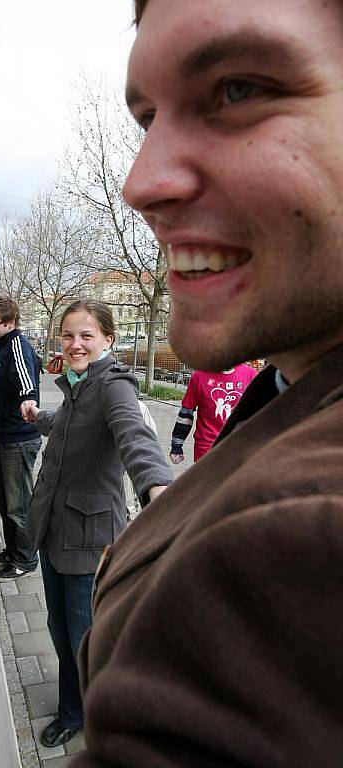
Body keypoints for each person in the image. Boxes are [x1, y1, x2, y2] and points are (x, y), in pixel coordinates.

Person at [68, 1, 343, 766]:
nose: (140, 183)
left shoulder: (300, 541)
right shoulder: (290, 381)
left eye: (238, 90)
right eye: (147, 116)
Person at [21, 299, 172, 749]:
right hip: (53, 532)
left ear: (108, 339)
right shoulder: (75, 384)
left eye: (87, 335)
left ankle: (95, 716)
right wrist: (38, 416)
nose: (75, 344)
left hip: (89, 541)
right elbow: (70, 424)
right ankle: (80, 706)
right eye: (68, 335)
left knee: (85, 639)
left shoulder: (113, 385)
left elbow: (134, 436)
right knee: (58, 630)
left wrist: (158, 489)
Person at [0, 295, 42, 582]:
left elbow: (26, 381)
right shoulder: (2, 344)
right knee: (3, 501)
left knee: (19, 505)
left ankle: (26, 560)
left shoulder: (16, 346)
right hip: (3, 437)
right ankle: (12, 551)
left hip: (18, 439)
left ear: (11, 323)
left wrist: (29, 401)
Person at [170, 365, 256, 463]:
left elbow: (260, 411)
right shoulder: (199, 377)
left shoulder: (250, 375)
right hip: (206, 450)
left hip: (240, 447)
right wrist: (176, 446)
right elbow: (186, 414)